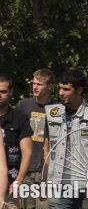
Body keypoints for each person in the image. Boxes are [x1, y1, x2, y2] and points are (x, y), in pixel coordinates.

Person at [44, 69, 88, 209]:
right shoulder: (51, 113)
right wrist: (44, 180)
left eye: (66, 89)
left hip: (87, 183)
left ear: (79, 90)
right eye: (60, 88)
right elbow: (45, 149)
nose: (60, 93)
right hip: (58, 183)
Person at [14, 68, 54, 209]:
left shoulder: (57, 108)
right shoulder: (23, 106)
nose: (35, 87)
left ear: (50, 86)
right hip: (25, 168)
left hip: (47, 169)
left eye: (39, 84)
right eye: (34, 83)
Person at [0, 74, 23, 209]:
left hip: (8, 184)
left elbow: (2, 167)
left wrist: (18, 180)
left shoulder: (19, 119)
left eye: (3, 91)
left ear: (10, 92)